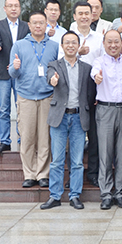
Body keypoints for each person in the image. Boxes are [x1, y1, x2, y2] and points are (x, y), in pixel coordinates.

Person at [41, 31, 95, 210]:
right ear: (62, 46)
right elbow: (50, 77)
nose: (71, 45)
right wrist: (53, 80)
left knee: (77, 161)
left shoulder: (86, 68)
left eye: (74, 42)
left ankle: (75, 195)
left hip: (79, 117)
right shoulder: (54, 65)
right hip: (60, 117)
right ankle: (55, 196)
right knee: (57, 160)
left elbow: (90, 91)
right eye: (67, 43)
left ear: (78, 46)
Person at [9, 11, 60, 188]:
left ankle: (43, 174)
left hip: (47, 96)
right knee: (27, 137)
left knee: (45, 138)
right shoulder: (19, 45)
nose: (38, 26)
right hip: (26, 97)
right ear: (29, 26)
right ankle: (29, 174)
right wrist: (15, 68)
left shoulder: (54, 46)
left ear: (47, 25)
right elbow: (12, 73)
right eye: (34, 23)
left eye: (41, 23)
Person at [91, 29, 122, 209]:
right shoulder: (99, 62)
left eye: (116, 42)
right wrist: (97, 77)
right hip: (105, 110)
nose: (113, 45)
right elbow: (94, 73)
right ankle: (106, 193)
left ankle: (120, 192)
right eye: (109, 42)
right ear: (104, 44)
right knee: (105, 153)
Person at [70, 0, 104, 186]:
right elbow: (60, 61)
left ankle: (93, 172)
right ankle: (73, 175)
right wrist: (77, 53)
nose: (84, 17)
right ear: (74, 16)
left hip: (93, 89)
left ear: (92, 16)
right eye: (80, 13)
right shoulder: (68, 37)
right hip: (73, 89)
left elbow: (104, 64)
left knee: (94, 134)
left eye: (87, 13)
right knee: (74, 134)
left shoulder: (99, 38)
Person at [0, 0, 28, 153]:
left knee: (22, 108)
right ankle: (5, 141)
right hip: (3, 73)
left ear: (20, 8)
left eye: (16, 6)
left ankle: (22, 139)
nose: (13, 8)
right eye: (10, 6)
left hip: (21, 73)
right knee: (4, 108)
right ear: (5, 9)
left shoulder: (26, 26)